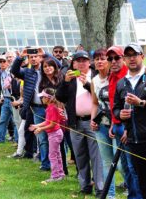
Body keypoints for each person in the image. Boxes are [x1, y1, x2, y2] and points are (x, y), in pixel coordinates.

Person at [56, 51, 103, 197]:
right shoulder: (70, 77)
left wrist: (87, 84)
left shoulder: (96, 75)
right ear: (74, 63)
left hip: (92, 121)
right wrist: (65, 82)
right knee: (80, 156)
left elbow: (101, 95)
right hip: (75, 122)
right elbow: (59, 97)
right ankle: (85, 185)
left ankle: (100, 187)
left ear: (89, 62)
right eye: (78, 61)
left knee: (97, 156)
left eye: (84, 60)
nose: (81, 63)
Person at [11, 47, 61, 171]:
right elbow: (14, 71)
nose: (33, 59)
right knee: (42, 137)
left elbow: (58, 65)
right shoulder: (28, 72)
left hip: (51, 107)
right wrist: (20, 57)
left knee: (56, 135)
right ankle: (45, 164)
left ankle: (58, 163)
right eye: (31, 57)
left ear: (40, 58)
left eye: (35, 56)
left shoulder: (47, 70)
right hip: (36, 108)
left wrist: (46, 53)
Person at [107, 45, 142, 198]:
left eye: (134, 54)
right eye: (128, 56)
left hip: (143, 135)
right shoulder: (121, 82)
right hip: (130, 137)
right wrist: (120, 115)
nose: (131, 58)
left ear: (142, 56)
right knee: (134, 173)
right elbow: (115, 108)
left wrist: (141, 103)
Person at [90, 48, 116, 198]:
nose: (99, 61)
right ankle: (110, 195)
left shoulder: (115, 78)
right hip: (101, 125)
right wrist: (93, 120)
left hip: (117, 125)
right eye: (96, 59)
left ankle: (131, 189)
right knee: (107, 162)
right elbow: (94, 103)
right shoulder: (94, 80)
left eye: (102, 58)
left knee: (120, 163)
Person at [29, 88, 65, 182]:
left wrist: (40, 129)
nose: (41, 99)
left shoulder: (52, 108)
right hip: (56, 134)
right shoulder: (50, 107)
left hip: (54, 134)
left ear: (48, 98)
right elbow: (47, 121)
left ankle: (55, 176)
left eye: (43, 97)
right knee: (57, 154)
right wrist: (36, 125)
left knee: (52, 155)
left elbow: (52, 124)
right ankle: (60, 174)